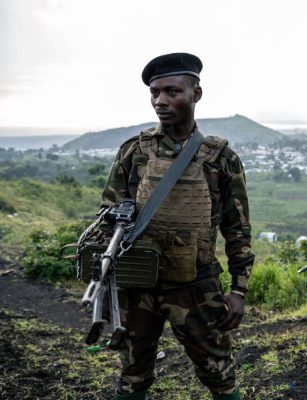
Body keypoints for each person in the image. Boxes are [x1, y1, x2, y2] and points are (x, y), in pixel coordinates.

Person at [101, 53, 254, 400]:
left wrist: (238, 290)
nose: (161, 101)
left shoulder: (221, 158)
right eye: (155, 93)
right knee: (132, 373)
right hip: (138, 285)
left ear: (196, 94)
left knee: (219, 373)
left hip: (196, 286)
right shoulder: (134, 151)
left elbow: (238, 228)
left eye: (172, 92)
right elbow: (107, 210)